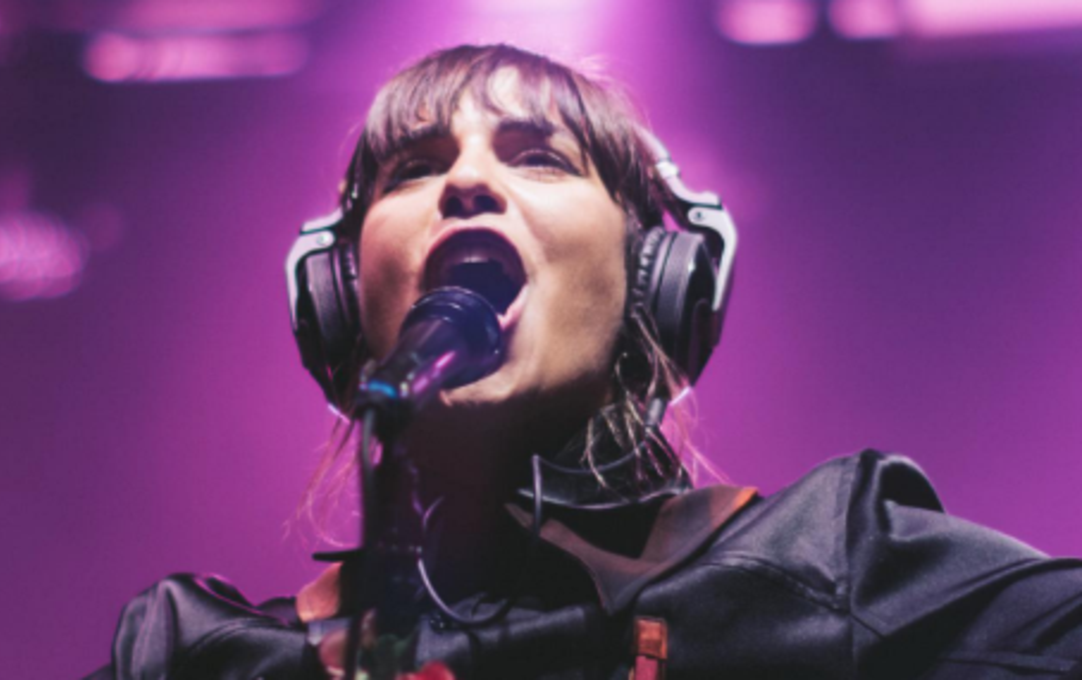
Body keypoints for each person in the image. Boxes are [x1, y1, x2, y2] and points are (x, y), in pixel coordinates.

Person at [87, 44, 1082, 680]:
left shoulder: (828, 566)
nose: (467, 180)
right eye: (414, 168)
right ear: (338, 300)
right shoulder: (197, 657)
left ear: (656, 280)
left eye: (539, 158)